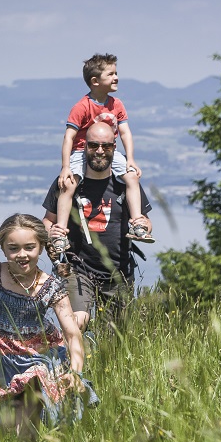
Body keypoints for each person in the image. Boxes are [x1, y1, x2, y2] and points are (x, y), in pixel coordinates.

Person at [0, 213, 99, 442]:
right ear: (3, 248)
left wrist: (75, 372)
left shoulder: (51, 286)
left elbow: (72, 333)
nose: (21, 255)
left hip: (34, 363)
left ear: (41, 248)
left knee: (24, 435)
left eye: (29, 247)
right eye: (13, 248)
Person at [43, 122, 153, 333]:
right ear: (84, 147)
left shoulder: (126, 184)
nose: (100, 151)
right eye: (93, 146)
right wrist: (52, 231)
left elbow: (146, 222)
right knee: (77, 323)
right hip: (77, 269)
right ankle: (70, 366)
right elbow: (47, 220)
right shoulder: (68, 181)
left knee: (114, 339)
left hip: (118, 272)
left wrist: (144, 226)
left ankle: (94, 365)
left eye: (106, 146)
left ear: (114, 147)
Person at [53, 53, 154, 249]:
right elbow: (69, 137)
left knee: (132, 178)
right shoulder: (82, 106)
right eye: (111, 74)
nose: (116, 77)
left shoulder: (117, 104)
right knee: (68, 185)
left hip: (110, 151)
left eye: (116, 73)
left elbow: (125, 133)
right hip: (83, 150)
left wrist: (130, 159)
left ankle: (137, 223)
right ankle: (60, 233)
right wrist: (65, 167)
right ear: (95, 81)